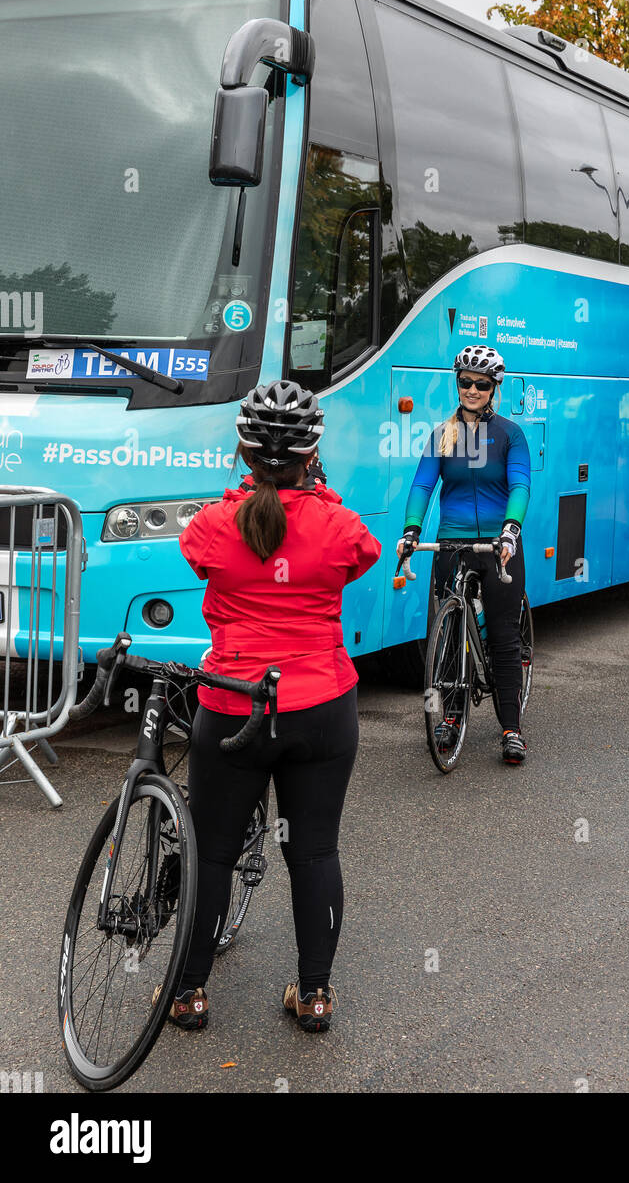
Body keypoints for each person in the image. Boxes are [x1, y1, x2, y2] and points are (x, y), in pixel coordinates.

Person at [157, 380, 380, 1032]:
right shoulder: (340, 526)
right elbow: (357, 557)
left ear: (243, 451)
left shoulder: (213, 525)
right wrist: (317, 496)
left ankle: (189, 994)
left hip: (234, 704)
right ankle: (314, 996)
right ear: (312, 454)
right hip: (320, 704)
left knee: (214, 849)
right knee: (314, 852)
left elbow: (200, 555)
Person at [396, 345, 531, 764]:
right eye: (465, 382)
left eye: (481, 383)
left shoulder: (510, 434)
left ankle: (511, 728)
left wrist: (510, 530)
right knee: (448, 634)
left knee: (505, 638)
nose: (472, 389)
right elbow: (422, 486)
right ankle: (450, 718)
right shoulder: (442, 434)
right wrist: (411, 530)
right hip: (452, 543)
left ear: (494, 388)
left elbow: (520, 485)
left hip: (497, 545)